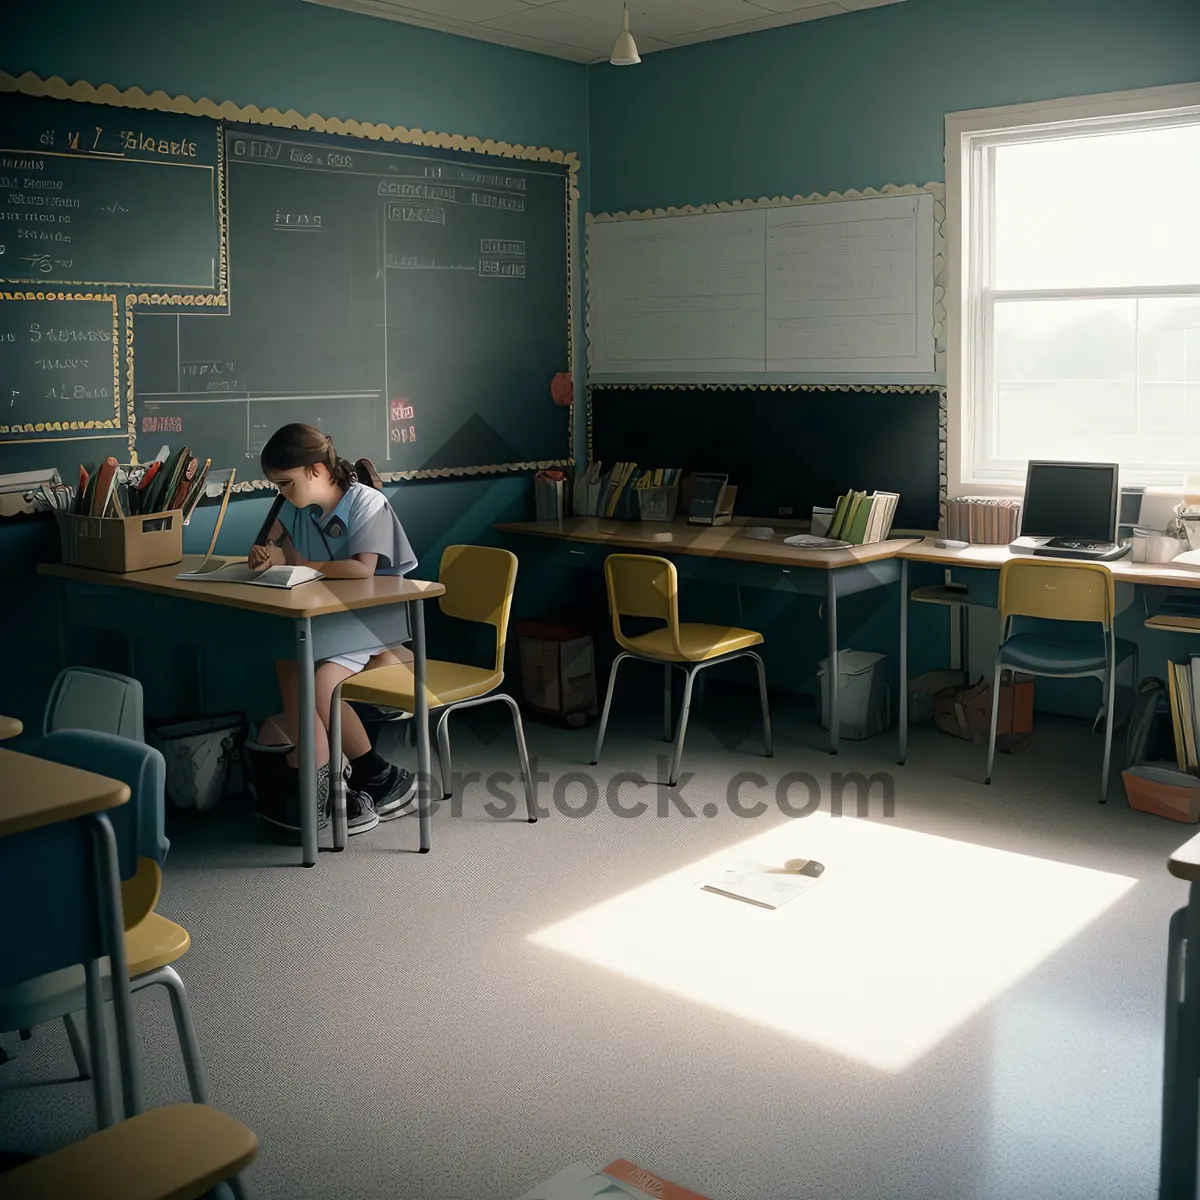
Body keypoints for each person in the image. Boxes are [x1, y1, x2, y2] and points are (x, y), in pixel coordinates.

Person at [249, 423, 417, 836]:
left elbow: (363, 570)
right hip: (327, 618)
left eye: (286, 483)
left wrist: (304, 565)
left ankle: (362, 780)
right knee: (289, 665)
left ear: (315, 471)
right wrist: (265, 553)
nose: (281, 493)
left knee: (320, 683)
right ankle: (335, 786)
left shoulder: (366, 503)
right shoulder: (294, 507)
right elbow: (283, 556)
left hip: (370, 618)